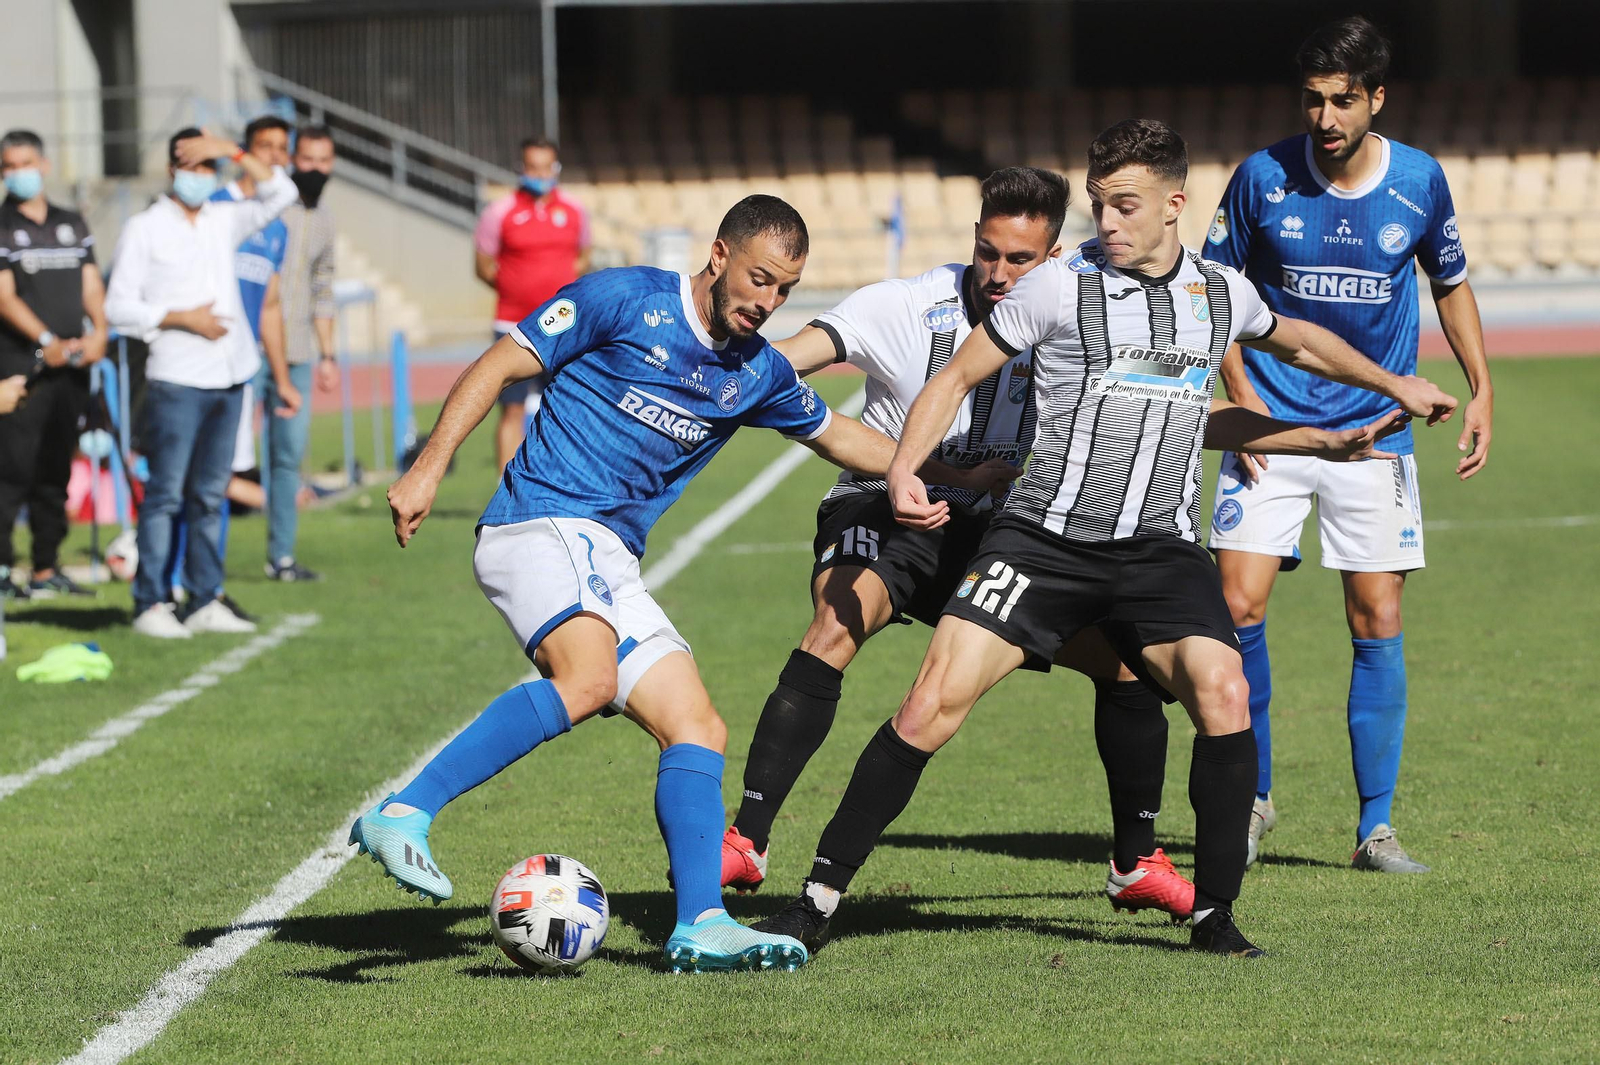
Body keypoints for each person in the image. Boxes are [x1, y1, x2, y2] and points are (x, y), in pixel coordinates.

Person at [753, 120, 1456, 960]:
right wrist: (905, 469)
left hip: (1157, 548)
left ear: (1174, 205)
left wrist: (1380, 390)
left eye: (1124, 206)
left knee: (1222, 689)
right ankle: (815, 900)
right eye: (1099, 206)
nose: (1108, 222)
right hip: (1040, 539)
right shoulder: (1057, 287)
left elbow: (1287, 347)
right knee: (929, 702)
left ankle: (1214, 914)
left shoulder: (1220, 295)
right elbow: (955, 377)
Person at [351, 195, 1012, 974]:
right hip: (538, 523)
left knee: (695, 723)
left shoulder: (755, 369)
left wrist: (931, 471)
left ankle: (701, 920)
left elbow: (840, 434)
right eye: (759, 278)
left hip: (608, 556)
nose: (766, 302)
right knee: (590, 676)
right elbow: (501, 362)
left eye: (785, 291)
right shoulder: (624, 298)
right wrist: (427, 466)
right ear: (719, 253)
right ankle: (405, 810)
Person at [1203, 16, 1493, 873]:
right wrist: (1241, 392)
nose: (1324, 118)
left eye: (1341, 100)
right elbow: (1216, 291)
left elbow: (1452, 284)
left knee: (1379, 616)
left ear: (1375, 98)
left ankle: (1375, 828)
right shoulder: (1260, 177)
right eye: (1312, 100)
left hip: (1378, 437)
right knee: (1238, 606)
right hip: (1275, 429)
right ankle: (1252, 801)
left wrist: (1484, 388)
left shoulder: (1418, 181)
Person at [105, 127, 297, 637]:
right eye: (191, 166)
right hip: (176, 378)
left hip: (230, 375)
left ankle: (204, 596)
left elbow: (283, 191)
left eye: (207, 167)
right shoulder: (144, 228)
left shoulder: (223, 218)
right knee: (166, 494)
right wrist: (178, 317)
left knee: (210, 495)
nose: (199, 176)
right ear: (171, 171)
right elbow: (117, 307)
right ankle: (151, 601)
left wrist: (231, 151)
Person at [165, 114, 300, 624]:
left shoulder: (273, 227)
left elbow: (267, 306)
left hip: (237, 370)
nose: (270, 157)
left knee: (215, 480)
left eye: (277, 149)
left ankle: (206, 589)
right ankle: (170, 584)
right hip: (188, 367)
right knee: (180, 482)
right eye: (260, 147)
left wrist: (281, 378)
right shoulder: (213, 209)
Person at [0, 129, 109, 599]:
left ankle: (47, 566)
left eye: (26, 163)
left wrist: (99, 331)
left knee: (55, 472)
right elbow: (4, 296)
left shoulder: (71, 222)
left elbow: (91, 283)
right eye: (9, 166)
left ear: (43, 165)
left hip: (73, 367)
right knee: (11, 471)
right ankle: (4, 571)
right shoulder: (2, 224)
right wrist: (47, 340)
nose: (19, 173)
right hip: (24, 366)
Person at [473, 137, 590, 472]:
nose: (540, 173)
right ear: (521, 169)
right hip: (513, 324)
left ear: (556, 168)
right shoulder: (499, 212)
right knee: (511, 409)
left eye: (546, 167)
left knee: (565, 408)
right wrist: (515, 286)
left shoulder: (575, 211)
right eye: (533, 167)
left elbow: (583, 257)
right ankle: (505, 492)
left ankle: (557, 483)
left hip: (566, 327)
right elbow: (482, 265)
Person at [262, 124, 339, 583]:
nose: (314, 169)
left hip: (296, 351)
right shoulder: (271, 209)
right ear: (293, 160)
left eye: (323, 161)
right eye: (306, 159)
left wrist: (327, 355)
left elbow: (323, 288)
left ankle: (281, 558)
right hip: (248, 349)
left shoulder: (326, 220)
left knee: (288, 457)